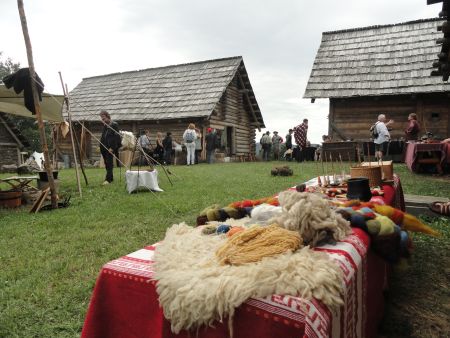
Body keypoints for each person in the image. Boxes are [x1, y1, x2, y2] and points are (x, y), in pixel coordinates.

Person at [99, 110, 121, 185]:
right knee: (106, 163)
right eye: (102, 119)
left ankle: (108, 179)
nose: (103, 120)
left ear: (108, 116)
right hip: (103, 147)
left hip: (110, 147)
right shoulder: (105, 125)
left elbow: (116, 137)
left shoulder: (114, 124)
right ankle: (110, 178)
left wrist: (112, 147)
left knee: (109, 163)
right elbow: (104, 136)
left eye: (104, 118)